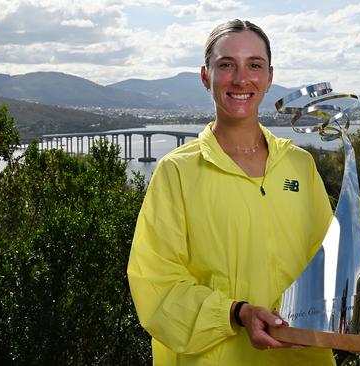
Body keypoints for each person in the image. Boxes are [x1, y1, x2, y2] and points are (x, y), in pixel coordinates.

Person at [127, 19, 335, 365]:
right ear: (206, 76)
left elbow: (326, 261)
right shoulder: (177, 173)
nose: (241, 79)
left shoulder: (300, 165)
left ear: (269, 77)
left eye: (254, 65)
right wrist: (236, 313)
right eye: (226, 65)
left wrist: (348, 307)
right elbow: (156, 283)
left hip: (303, 358)